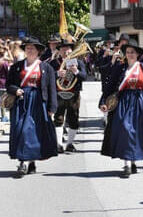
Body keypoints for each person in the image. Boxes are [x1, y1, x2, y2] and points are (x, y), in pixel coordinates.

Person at [99, 39, 143, 178]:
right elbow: (109, 86)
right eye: (127, 52)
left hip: (140, 103)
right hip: (123, 103)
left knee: (136, 133)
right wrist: (103, 101)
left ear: (138, 54)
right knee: (125, 131)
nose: (130, 54)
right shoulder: (120, 68)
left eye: (132, 52)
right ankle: (126, 164)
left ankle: (133, 161)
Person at [6, 37, 58, 177]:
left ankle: (31, 162)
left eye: (32, 48)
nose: (29, 50)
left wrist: (52, 108)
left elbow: (52, 89)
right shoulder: (16, 67)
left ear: (38, 51)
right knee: (21, 130)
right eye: (27, 48)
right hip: (21, 102)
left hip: (38, 102)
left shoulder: (46, 67)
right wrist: (15, 90)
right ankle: (22, 161)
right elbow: (8, 84)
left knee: (34, 132)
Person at [50, 39, 88, 153]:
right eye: (63, 49)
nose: (66, 52)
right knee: (58, 119)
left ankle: (70, 143)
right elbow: (47, 77)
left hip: (74, 95)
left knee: (74, 119)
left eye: (68, 49)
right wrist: (57, 74)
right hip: (59, 94)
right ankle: (59, 144)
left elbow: (84, 76)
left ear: (72, 50)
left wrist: (76, 71)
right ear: (59, 51)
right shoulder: (54, 63)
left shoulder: (79, 62)